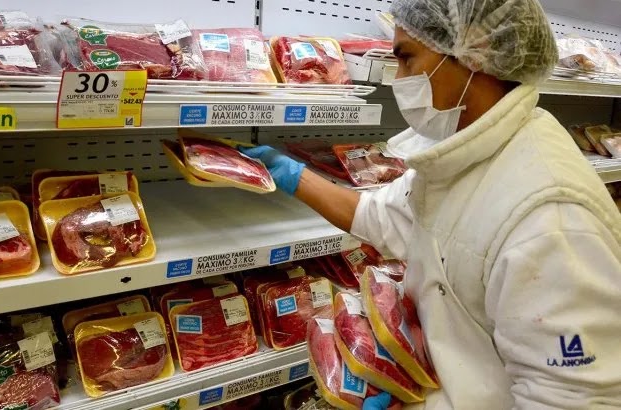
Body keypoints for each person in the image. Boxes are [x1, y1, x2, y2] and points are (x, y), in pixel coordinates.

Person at [241, 0, 621, 408]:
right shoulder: (468, 152)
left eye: (406, 58)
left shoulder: (550, 216)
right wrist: (291, 174)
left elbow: (571, 398)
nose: (400, 78)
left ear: (475, 54)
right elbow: (379, 217)